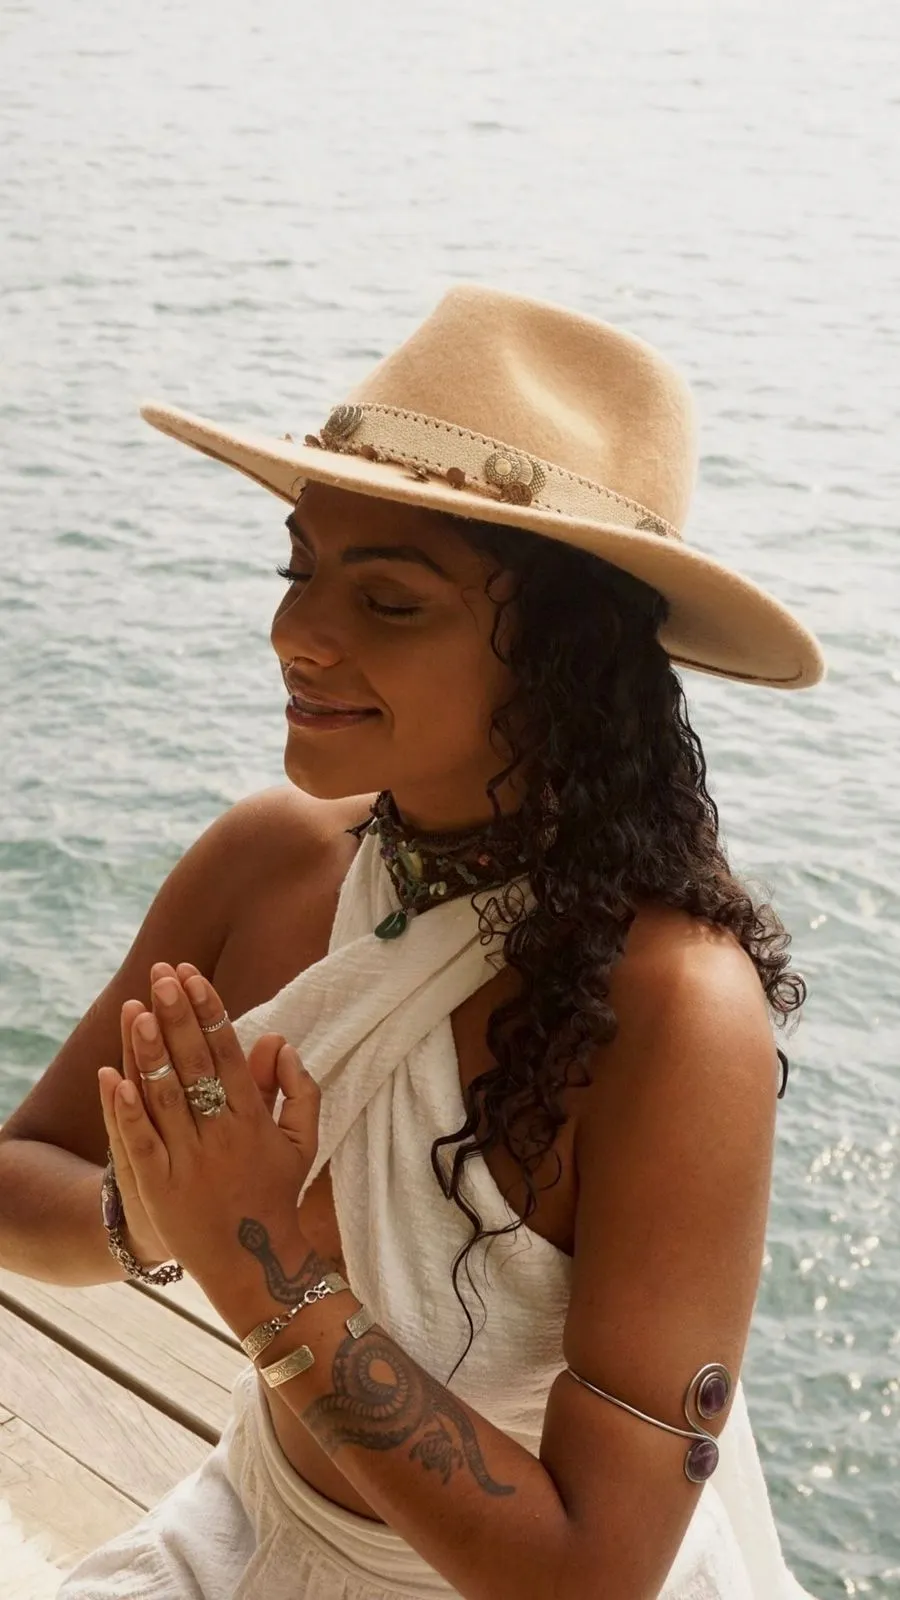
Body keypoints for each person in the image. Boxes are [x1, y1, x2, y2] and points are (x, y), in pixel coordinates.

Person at [0, 285, 824, 1599]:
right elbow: (23, 1177)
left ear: (571, 658)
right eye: (299, 568)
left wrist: (265, 1263)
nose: (293, 634)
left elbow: (595, 1575)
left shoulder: (673, 1012)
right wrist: (148, 1212)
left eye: (388, 603)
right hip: (248, 1537)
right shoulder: (268, 861)